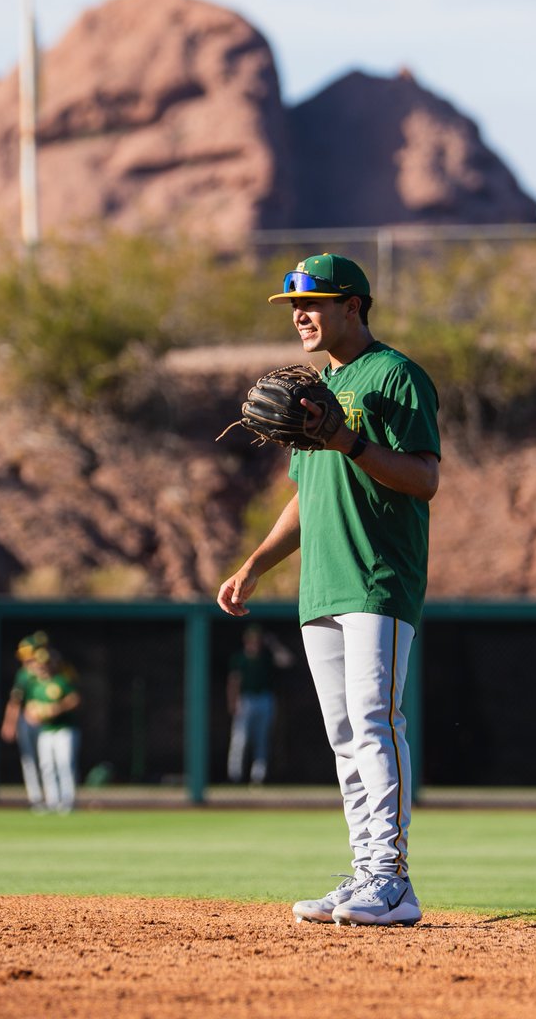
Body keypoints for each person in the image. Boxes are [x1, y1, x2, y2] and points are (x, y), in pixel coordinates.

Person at [217, 253, 440, 927]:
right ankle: (367, 868)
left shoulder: (395, 375)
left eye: (313, 303)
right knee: (345, 735)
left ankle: (392, 881)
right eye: (294, 307)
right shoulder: (314, 388)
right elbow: (306, 498)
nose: (301, 316)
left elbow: (424, 478)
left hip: (377, 576)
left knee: (375, 723)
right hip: (321, 582)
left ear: (354, 306)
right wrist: (256, 564)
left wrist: (348, 440)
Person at [226, 623, 294, 785]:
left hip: (264, 699)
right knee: (239, 740)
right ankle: (234, 776)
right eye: (251, 639)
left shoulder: (266, 657)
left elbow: (287, 660)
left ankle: (258, 777)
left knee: (261, 739)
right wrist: (232, 703)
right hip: (245, 700)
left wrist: (273, 644)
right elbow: (233, 682)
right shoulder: (239, 658)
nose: (254, 643)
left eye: (257, 640)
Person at [23, 647, 81, 813]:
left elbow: (74, 699)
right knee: (47, 766)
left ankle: (67, 801)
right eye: (39, 664)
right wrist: (36, 714)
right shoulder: (34, 685)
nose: (42, 667)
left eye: (45, 664)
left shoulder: (61, 681)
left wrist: (57, 708)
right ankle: (52, 801)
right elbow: (29, 708)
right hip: (46, 730)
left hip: (63, 729)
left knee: (64, 764)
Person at [0, 631, 49, 811]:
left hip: (48, 723)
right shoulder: (23, 675)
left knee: (48, 761)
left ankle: (53, 797)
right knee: (29, 760)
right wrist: (9, 724)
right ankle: (35, 798)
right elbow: (15, 701)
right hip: (27, 722)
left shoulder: (50, 669)